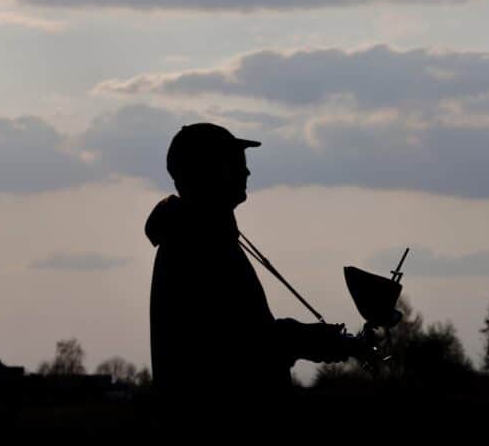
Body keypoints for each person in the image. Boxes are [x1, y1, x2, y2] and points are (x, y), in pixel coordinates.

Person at [145, 122, 358, 416]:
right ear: (207, 171)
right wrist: (315, 340)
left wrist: (316, 340)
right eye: (234, 163)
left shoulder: (202, 235)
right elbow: (238, 345)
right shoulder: (198, 244)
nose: (246, 172)